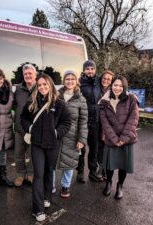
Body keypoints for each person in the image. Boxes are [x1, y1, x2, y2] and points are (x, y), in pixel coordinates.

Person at [20, 74, 71, 222]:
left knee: (50, 171)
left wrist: (56, 132)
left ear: (50, 86)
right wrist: (29, 128)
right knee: (39, 174)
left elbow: (66, 122)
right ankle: (38, 209)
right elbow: (23, 118)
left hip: (53, 144)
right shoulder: (32, 102)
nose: (42, 87)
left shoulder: (59, 104)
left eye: (45, 84)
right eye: (40, 85)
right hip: (37, 144)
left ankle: (47, 197)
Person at [99, 75, 139, 199]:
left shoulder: (131, 99)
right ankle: (108, 182)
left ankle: (120, 185)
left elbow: (134, 119)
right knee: (110, 165)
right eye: (115, 85)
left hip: (127, 140)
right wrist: (115, 139)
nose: (117, 88)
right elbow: (104, 123)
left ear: (124, 87)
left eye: (120, 86)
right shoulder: (104, 102)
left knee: (123, 165)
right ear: (111, 86)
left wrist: (123, 139)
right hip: (112, 140)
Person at [57, 70, 88, 198]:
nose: (70, 81)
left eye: (72, 79)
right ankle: (50, 185)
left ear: (76, 82)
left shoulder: (81, 99)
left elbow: (83, 121)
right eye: (67, 79)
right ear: (63, 81)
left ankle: (65, 186)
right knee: (52, 161)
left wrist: (82, 139)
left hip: (72, 135)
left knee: (69, 161)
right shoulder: (56, 96)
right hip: (57, 133)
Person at [77, 60, 103, 182]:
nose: (90, 71)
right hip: (83, 120)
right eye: (87, 69)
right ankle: (80, 172)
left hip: (96, 120)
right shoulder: (80, 83)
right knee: (81, 148)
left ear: (95, 70)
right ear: (84, 70)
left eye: (92, 68)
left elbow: (113, 86)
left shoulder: (99, 81)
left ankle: (93, 171)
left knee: (94, 148)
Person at [13, 64, 37, 187]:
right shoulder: (18, 89)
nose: (27, 76)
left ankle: (31, 174)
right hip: (20, 128)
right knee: (18, 153)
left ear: (35, 75)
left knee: (33, 154)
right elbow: (13, 104)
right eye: (25, 74)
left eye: (30, 73)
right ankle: (20, 174)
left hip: (34, 129)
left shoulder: (40, 87)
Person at [98, 70, 115, 179]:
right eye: (104, 78)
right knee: (98, 147)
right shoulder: (96, 89)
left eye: (109, 79)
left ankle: (103, 169)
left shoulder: (113, 91)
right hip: (96, 121)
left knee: (105, 147)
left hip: (107, 123)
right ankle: (99, 168)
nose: (106, 80)